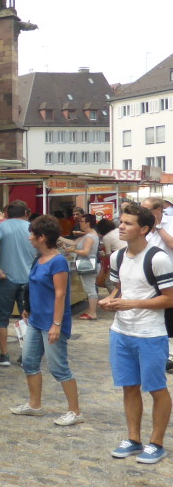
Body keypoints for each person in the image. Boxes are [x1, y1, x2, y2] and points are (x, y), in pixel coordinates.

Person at [100, 204, 173, 464]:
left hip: (150, 333)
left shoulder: (158, 258)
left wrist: (131, 303)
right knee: (129, 387)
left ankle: (156, 442)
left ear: (144, 229)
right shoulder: (117, 257)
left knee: (156, 388)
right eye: (121, 222)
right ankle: (133, 438)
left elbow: (169, 299)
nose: (121, 226)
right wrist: (110, 300)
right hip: (121, 331)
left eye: (128, 223)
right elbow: (120, 290)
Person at [10, 215, 83, 425]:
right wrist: (28, 309)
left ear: (42, 237)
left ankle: (75, 411)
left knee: (59, 367)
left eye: (32, 234)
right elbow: (34, 286)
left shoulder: (58, 261)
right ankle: (35, 405)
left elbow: (60, 295)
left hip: (52, 322)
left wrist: (56, 324)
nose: (29, 238)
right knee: (29, 362)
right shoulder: (39, 259)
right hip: (35, 320)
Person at [0, 200, 35, 366]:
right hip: (30, 280)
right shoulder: (32, 228)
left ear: (7, 214)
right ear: (26, 213)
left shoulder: (2, 226)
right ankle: (26, 355)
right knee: (28, 317)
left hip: (6, 278)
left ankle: (4, 355)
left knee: (1, 318)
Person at [141, 196, 173, 370]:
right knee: (154, 313)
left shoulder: (169, 223)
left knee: (170, 314)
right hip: (149, 277)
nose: (144, 213)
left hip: (170, 275)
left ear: (159, 210)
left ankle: (170, 354)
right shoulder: (144, 227)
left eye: (148, 210)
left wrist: (158, 227)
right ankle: (159, 351)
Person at [67, 213, 100, 320]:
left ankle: (92, 312)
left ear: (88, 223)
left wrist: (73, 250)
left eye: (81, 221)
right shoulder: (88, 235)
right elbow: (73, 242)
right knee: (89, 287)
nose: (79, 223)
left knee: (90, 288)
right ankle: (91, 310)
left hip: (88, 264)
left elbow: (86, 252)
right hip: (89, 263)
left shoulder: (89, 237)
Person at [97, 217, 126, 295]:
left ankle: (116, 297)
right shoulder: (118, 230)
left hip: (119, 260)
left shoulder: (106, 238)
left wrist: (102, 255)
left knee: (109, 282)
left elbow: (108, 254)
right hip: (128, 256)